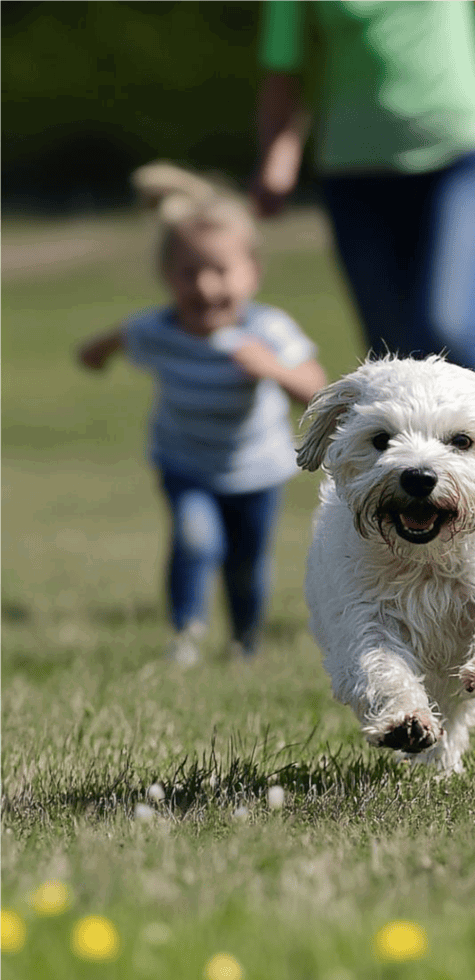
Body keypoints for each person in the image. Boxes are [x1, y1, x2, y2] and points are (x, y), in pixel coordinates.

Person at [77, 162, 327, 663]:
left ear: (252, 273)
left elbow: (317, 389)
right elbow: (107, 344)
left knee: (246, 561)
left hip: (257, 469)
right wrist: (98, 354)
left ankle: (245, 644)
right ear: (167, 277)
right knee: (195, 539)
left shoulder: (269, 330)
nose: (206, 287)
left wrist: (272, 369)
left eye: (220, 271)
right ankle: (186, 636)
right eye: (189, 272)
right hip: (184, 462)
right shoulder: (159, 330)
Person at [252, 0, 475, 375]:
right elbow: (284, 65)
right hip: (355, 179)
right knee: (390, 356)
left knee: (450, 330)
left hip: (463, 155)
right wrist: (277, 155)